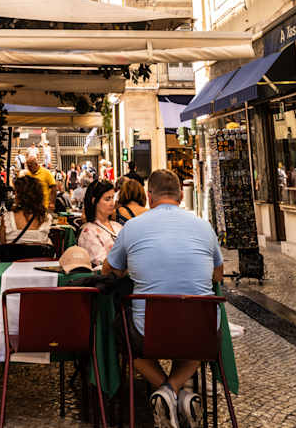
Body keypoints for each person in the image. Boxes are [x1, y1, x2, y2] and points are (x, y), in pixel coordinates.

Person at [103, 169, 223, 428]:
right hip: (201, 332)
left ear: (149, 196)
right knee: (195, 336)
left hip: (149, 332)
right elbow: (218, 275)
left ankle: (167, 391)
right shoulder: (204, 225)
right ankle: (180, 392)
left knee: (120, 332)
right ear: (181, 195)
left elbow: (108, 270)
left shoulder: (132, 227)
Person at [77, 180, 121, 268]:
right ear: (94, 201)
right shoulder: (88, 232)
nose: (112, 203)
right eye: (107, 199)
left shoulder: (117, 226)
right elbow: (101, 263)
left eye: (113, 198)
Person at [0, 175, 52, 246]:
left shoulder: (7, 218)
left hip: (12, 256)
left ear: (19, 195)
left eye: (16, 192)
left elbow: (3, 245)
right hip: (39, 256)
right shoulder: (45, 218)